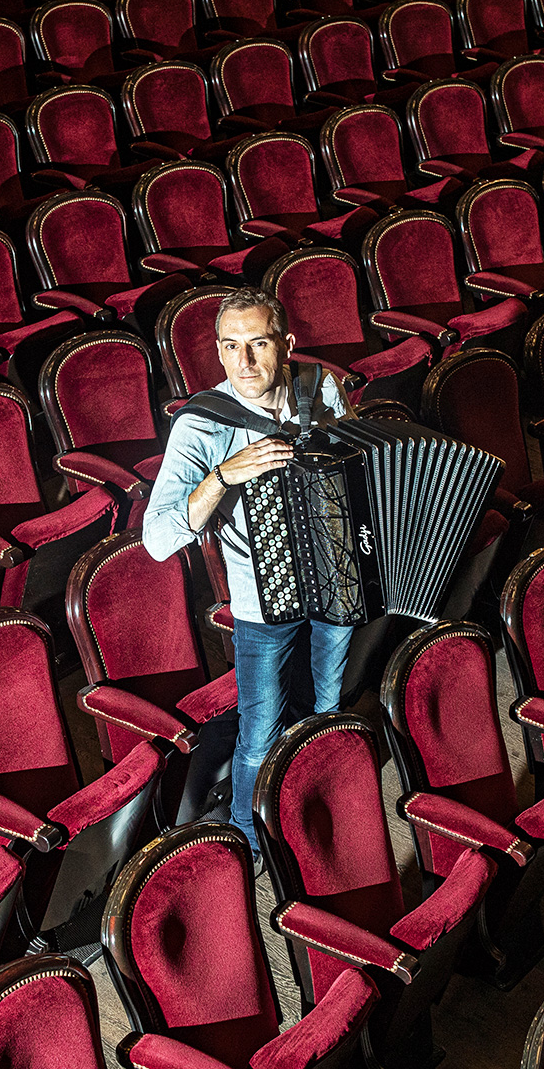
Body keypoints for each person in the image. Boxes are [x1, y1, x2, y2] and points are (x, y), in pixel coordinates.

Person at [141, 287, 354, 862]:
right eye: (231, 347)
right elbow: (157, 539)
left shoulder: (321, 388)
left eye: (258, 344)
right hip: (262, 598)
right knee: (259, 733)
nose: (246, 363)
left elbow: (356, 474)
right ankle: (249, 838)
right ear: (217, 351)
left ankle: (315, 800)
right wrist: (221, 477)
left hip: (337, 583)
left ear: (285, 345)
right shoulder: (202, 425)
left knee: (326, 709)